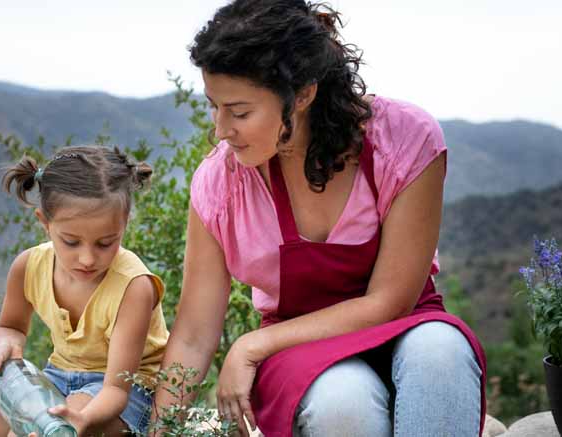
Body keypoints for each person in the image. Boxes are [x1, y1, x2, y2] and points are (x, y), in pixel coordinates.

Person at [153, 1, 487, 436]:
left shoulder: (403, 139)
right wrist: (161, 429)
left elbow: (391, 301)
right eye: (214, 106)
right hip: (296, 348)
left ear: (304, 94)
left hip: (404, 323)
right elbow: (195, 334)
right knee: (341, 403)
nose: (221, 129)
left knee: (441, 352)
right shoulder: (221, 184)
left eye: (239, 112)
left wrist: (252, 344)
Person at [0, 146, 169, 437]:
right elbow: (10, 327)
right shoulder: (29, 266)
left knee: (56, 428)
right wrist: (5, 345)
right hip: (58, 375)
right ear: (45, 223)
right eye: (71, 242)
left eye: (105, 243)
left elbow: (115, 390)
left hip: (125, 390)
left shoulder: (133, 286)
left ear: (124, 225)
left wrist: (82, 419)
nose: (87, 259)